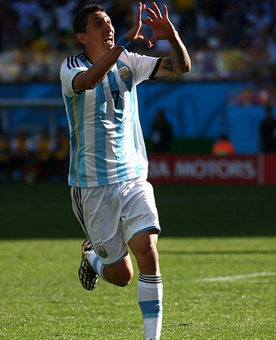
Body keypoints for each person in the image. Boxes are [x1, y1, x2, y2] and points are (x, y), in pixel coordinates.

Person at [59, 3, 190, 340]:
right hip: (92, 186)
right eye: (98, 23)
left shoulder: (129, 61)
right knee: (122, 276)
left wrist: (171, 35)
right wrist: (124, 45)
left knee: (148, 252)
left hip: (132, 177)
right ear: (82, 37)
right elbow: (88, 81)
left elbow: (181, 66)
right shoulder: (70, 67)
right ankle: (93, 260)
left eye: (108, 21)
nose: (108, 26)